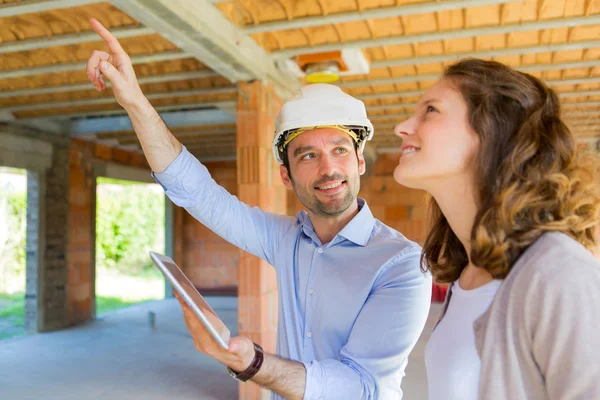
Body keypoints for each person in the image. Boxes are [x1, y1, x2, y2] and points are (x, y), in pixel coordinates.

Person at [85, 18, 432, 399]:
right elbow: (198, 193)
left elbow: (361, 386)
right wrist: (134, 100)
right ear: (286, 176)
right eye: (308, 155)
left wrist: (253, 363)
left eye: (339, 150)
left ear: (359, 161)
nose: (328, 168)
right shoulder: (287, 240)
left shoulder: (401, 264)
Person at [392, 58, 600, 399]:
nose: (402, 126)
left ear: (491, 132)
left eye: (430, 110)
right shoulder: (467, 276)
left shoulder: (561, 275)